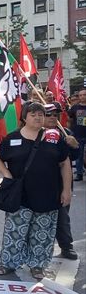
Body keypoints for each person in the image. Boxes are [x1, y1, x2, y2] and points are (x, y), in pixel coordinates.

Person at [0, 102, 72, 279]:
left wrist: (66, 190)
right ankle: (8, 263)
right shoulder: (12, 138)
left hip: (48, 194)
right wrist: (6, 174)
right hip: (20, 195)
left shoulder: (54, 137)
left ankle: (37, 265)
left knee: (42, 233)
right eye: (33, 114)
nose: (38, 117)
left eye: (41, 114)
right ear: (24, 117)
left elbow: (65, 163)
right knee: (15, 230)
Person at [44, 102, 80, 260]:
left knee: (62, 216)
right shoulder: (35, 134)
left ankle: (66, 246)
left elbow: (75, 157)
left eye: (55, 114)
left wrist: (75, 146)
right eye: (48, 114)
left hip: (62, 182)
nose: (53, 117)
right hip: (41, 183)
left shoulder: (66, 133)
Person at [67, 89, 86, 181]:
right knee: (79, 155)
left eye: (84, 95)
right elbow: (69, 119)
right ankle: (79, 173)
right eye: (80, 95)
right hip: (78, 135)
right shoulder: (75, 108)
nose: (82, 97)